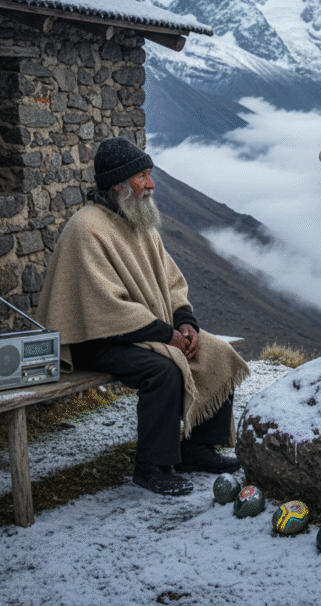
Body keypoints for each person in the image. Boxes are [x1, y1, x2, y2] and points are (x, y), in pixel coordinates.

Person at [36, 136, 250, 496]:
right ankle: (152, 467)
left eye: (149, 174)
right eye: (142, 177)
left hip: (143, 330)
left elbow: (171, 282)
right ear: (118, 184)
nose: (150, 184)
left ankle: (195, 449)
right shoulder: (86, 228)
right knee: (162, 369)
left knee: (214, 351)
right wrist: (167, 337)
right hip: (96, 338)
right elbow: (105, 307)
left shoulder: (139, 221)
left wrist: (184, 323)